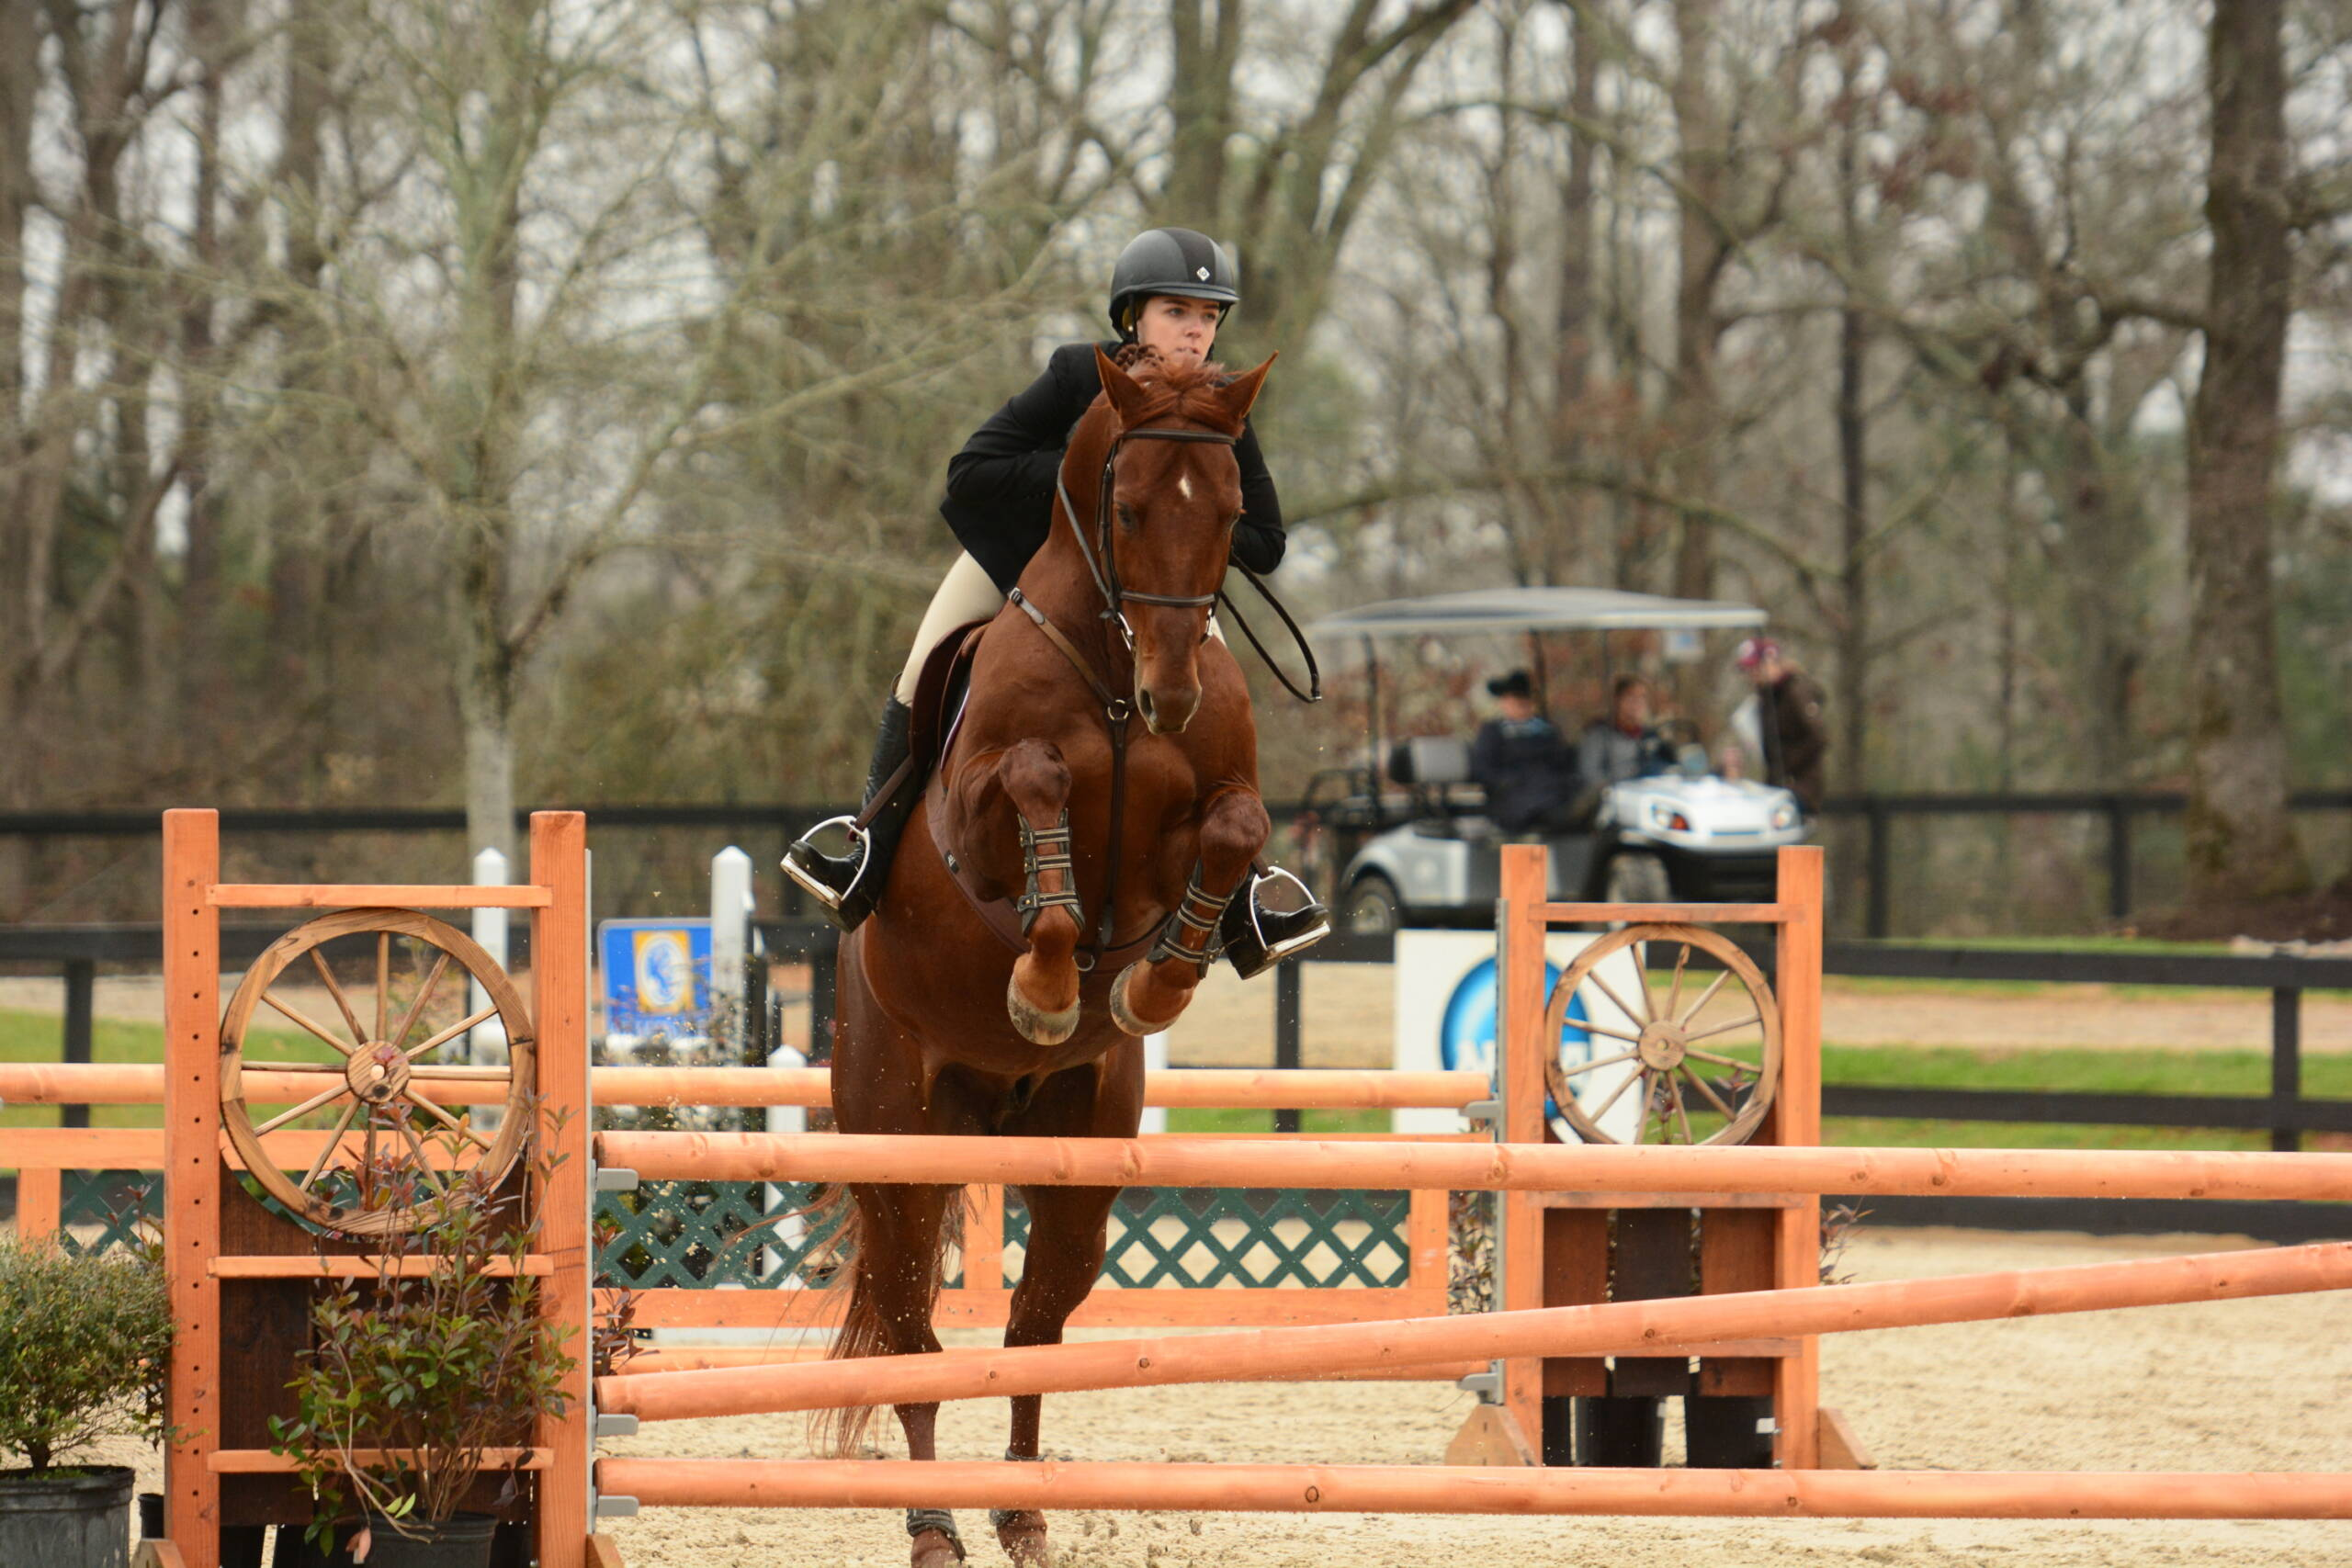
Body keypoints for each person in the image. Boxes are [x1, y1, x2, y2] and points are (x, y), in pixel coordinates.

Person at [784, 227, 1326, 964]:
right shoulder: (1079, 376)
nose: (1195, 329)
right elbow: (972, 471)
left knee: (1224, 701)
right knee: (923, 664)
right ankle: (867, 846)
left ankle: (1247, 894)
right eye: (1177, 310)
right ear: (1133, 313)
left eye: (1208, 315)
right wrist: (1091, 467)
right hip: (1027, 563)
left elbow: (1267, 541)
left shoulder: (1220, 407)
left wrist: (1181, 520)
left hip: (1156, 588)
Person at [1468, 671, 1586, 833]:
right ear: (1504, 702)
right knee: (1544, 801)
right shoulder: (1494, 732)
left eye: (1525, 700)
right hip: (1514, 795)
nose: (1522, 704)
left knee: (1567, 794)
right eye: (1516, 700)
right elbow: (1483, 769)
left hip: (1553, 787)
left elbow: (1563, 761)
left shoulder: (1547, 730)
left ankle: (1575, 812)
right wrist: (1509, 781)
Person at [1735, 637, 1828, 812]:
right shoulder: (1766, 698)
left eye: (1755, 668)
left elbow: (1818, 736)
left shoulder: (1795, 692)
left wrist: (1788, 768)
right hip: (1777, 786)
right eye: (1748, 670)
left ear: (1771, 663)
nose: (1751, 675)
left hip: (1801, 786)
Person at [1578, 673, 1673, 789]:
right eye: (1631, 697)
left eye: (1642, 698)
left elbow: (1670, 769)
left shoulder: (1652, 737)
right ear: (1618, 700)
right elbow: (1590, 775)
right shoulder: (1599, 736)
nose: (1637, 704)